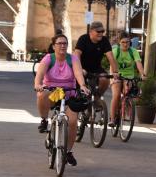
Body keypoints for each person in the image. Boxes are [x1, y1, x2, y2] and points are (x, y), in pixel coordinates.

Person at [34, 34, 90, 166]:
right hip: (53, 92)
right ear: (54, 46)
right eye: (59, 43)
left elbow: (78, 74)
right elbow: (40, 75)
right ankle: (44, 120)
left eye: (65, 43)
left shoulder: (73, 59)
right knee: (42, 95)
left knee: (73, 121)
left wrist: (82, 86)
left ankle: (68, 151)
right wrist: (38, 85)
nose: (63, 46)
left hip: (69, 93)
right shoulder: (49, 58)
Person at [72, 21, 119, 97]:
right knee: (79, 95)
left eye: (102, 31)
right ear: (91, 31)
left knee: (105, 79)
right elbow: (77, 54)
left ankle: (97, 98)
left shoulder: (104, 40)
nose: (101, 33)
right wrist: (80, 69)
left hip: (96, 68)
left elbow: (110, 56)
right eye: (98, 31)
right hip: (82, 68)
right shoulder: (83, 39)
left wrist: (115, 71)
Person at [109, 32, 146, 127]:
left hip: (129, 77)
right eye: (123, 42)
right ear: (119, 42)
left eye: (128, 42)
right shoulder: (116, 51)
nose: (126, 44)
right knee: (116, 95)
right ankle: (112, 118)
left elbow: (138, 63)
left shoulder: (133, 51)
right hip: (116, 75)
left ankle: (125, 108)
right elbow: (112, 64)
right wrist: (114, 75)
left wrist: (142, 74)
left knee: (128, 93)